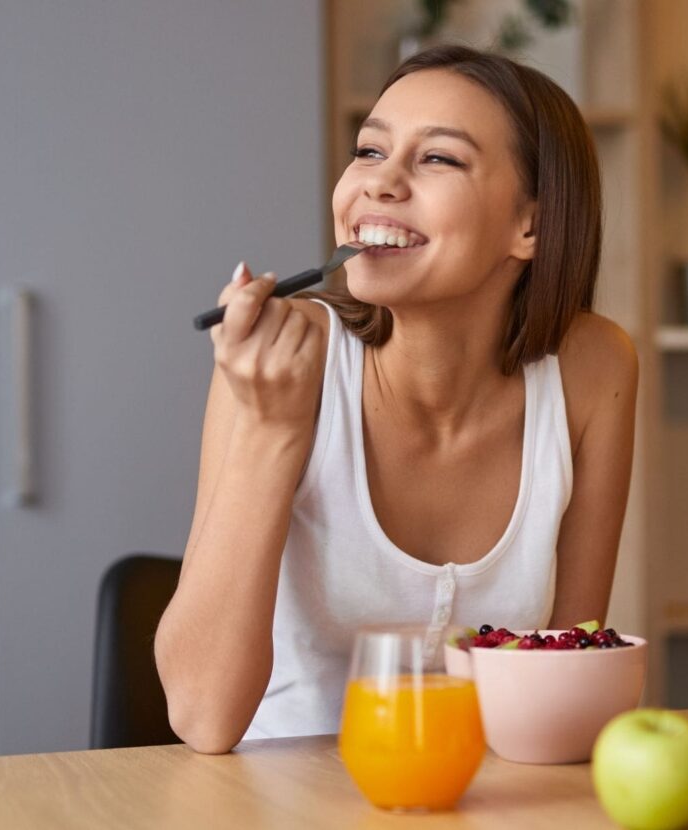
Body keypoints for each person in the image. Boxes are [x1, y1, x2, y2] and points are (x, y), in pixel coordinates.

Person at [154, 45, 638, 754]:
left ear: (529, 226)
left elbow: (559, 687)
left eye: (437, 158)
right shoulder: (284, 364)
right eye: (369, 150)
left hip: (481, 798)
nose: (378, 184)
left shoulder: (594, 369)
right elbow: (201, 717)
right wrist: (271, 430)